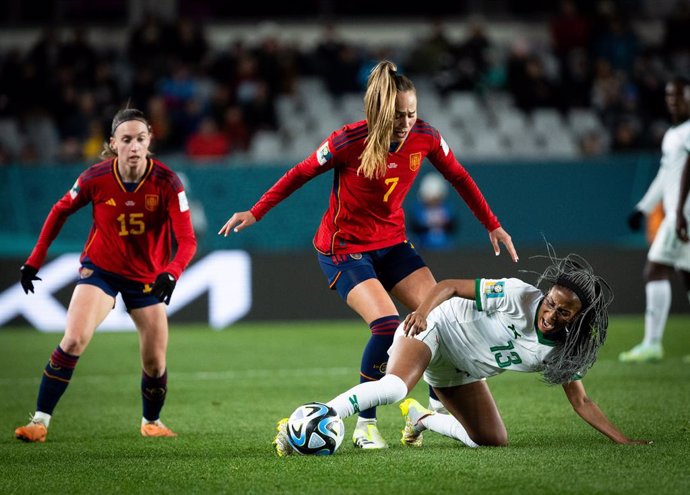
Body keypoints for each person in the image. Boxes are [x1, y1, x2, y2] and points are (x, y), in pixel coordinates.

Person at [219, 60, 518, 449]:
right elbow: (298, 174)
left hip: (392, 244)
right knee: (385, 325)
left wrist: (491, 223)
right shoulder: (347, 141)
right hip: (343, 248)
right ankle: (365, 426)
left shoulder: (426, 137)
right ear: (379, 112)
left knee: (438, 318)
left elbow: (459, 176)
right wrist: (255, 211)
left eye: (412, 113)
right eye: (398, 115)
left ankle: (427, 411)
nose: (407, 121)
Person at [273, 245, 649, 456]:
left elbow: (582, 402)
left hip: (460, 371)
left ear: (578, 319)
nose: (550, 313)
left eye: (562, 311)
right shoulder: (518, 294)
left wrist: (623, 440)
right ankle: (312, 419)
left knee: (491, 440)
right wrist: (421, 312)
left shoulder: (564, 352)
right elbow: (451, 286)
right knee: (394, 388)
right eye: (550, 302)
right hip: (436, 326)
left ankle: (421, 419)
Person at [15, 108, 197, 442]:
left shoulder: (168, 183)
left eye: (140, 139)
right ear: (113, 143)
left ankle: (151, 422)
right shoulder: (94, 178)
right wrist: (34, 260)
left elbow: (187, 239)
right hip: (102, 271)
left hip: (147, 277)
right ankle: (39, 422)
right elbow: (59, 212)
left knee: (155, 363)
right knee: (73, 339)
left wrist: (172, 272)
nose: (133, 146)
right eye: (126, 140)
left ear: (149, 141)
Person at [620, 77, 690, 363]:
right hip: (677, 213)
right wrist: (644, 208)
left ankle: (652, 343)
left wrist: (678, 213)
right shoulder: (673, 133)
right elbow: (666, 175)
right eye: (669, 94)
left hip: (682, 215)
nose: (673, 99)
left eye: (680, 95)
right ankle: (652, 343)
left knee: (655, 270)